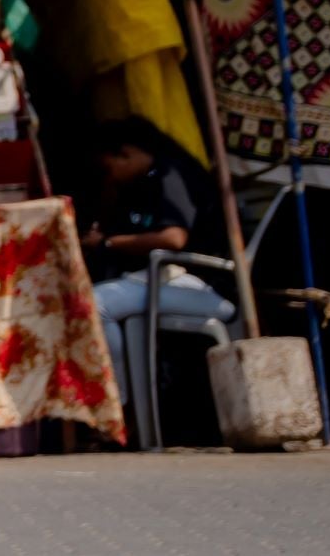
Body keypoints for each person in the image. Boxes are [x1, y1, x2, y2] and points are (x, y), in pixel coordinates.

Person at [77, 116, 234, 434]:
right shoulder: (143, 181)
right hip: (167, 280)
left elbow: (173, 238)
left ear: (127, 154)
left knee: (95, 303)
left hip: (205, 286)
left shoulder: (169, 175)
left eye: (110, 168)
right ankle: (125, 406)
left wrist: (108, 243)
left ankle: (120, 408)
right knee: (97, 297)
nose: (110, 177)